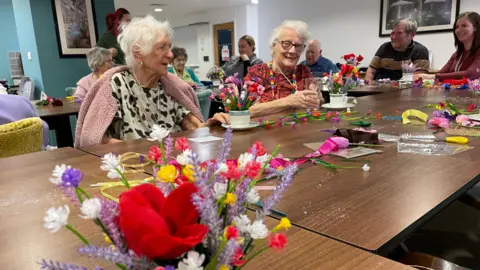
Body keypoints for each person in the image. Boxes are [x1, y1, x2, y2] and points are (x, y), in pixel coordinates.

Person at [75, 15, 228, 147]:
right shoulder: (115, 85)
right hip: (132, 170)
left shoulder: (170, 86)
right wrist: (142, 151)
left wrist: (212, 125)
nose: (170, 55)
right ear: (138, 54)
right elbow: (94, 140)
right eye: (162, 47)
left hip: (173, 165)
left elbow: (192, 125)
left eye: (169, 47)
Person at [244, 20, 322, 118]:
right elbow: (248, 111)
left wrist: (318, 98)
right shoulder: (257, 73)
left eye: (298, 46)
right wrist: (289, 101)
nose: (293, 51)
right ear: (273, 45)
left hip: (300, 130)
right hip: (266, 131)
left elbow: (318, 103)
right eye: (286, 43)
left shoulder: (303, 72)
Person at [416, 12, 480, 81]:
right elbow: (441, 73)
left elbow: (470, 75)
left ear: (475, 28)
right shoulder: (457, 54)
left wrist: (432, 77)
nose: (459, 30)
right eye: (457, 27)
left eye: (464, 26)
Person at [365, 19, 430, 81]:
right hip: (377, 88)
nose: (394, 37)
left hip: (404, 90)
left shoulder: (420, 51)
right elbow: (371, 72)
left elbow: (418, 78)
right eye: (392, 33)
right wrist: (368, 86)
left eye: (399, 33)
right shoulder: (384, 47)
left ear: (411, 35)